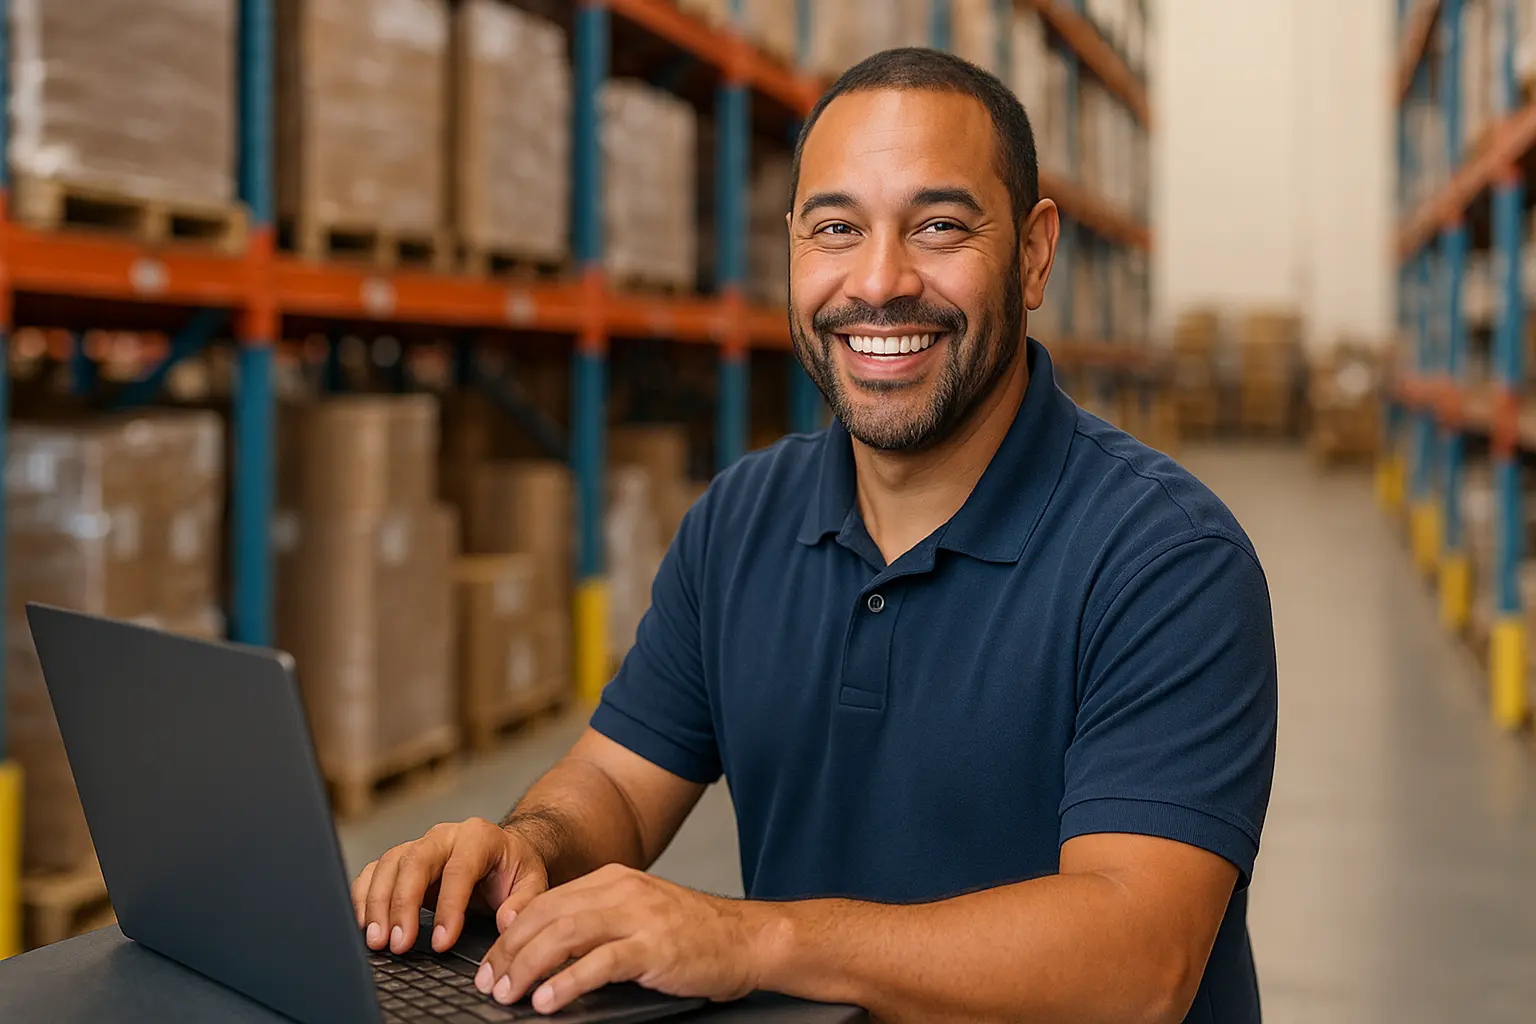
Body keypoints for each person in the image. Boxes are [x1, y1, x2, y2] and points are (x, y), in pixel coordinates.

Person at [353, 48, 1277, 1024]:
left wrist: (758, 936)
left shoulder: (1167, 560)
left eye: (938, 226)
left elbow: (1139, 964)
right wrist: (529, 848)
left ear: (1034, 253)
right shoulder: (741, 518)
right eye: (837, 228)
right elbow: (618, 786)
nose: (878, 282)